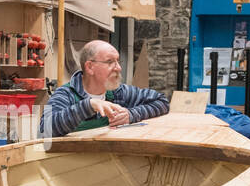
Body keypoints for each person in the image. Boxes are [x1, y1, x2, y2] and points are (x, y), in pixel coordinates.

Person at [38, 40, 169, 137]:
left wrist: (132, 114)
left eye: (118, 61)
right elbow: (45, 130)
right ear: (90, 67)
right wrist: (87, 106)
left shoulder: (119, 92)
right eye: (110, 62)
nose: (118, 68)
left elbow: (162, 101)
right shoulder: (66, 94)